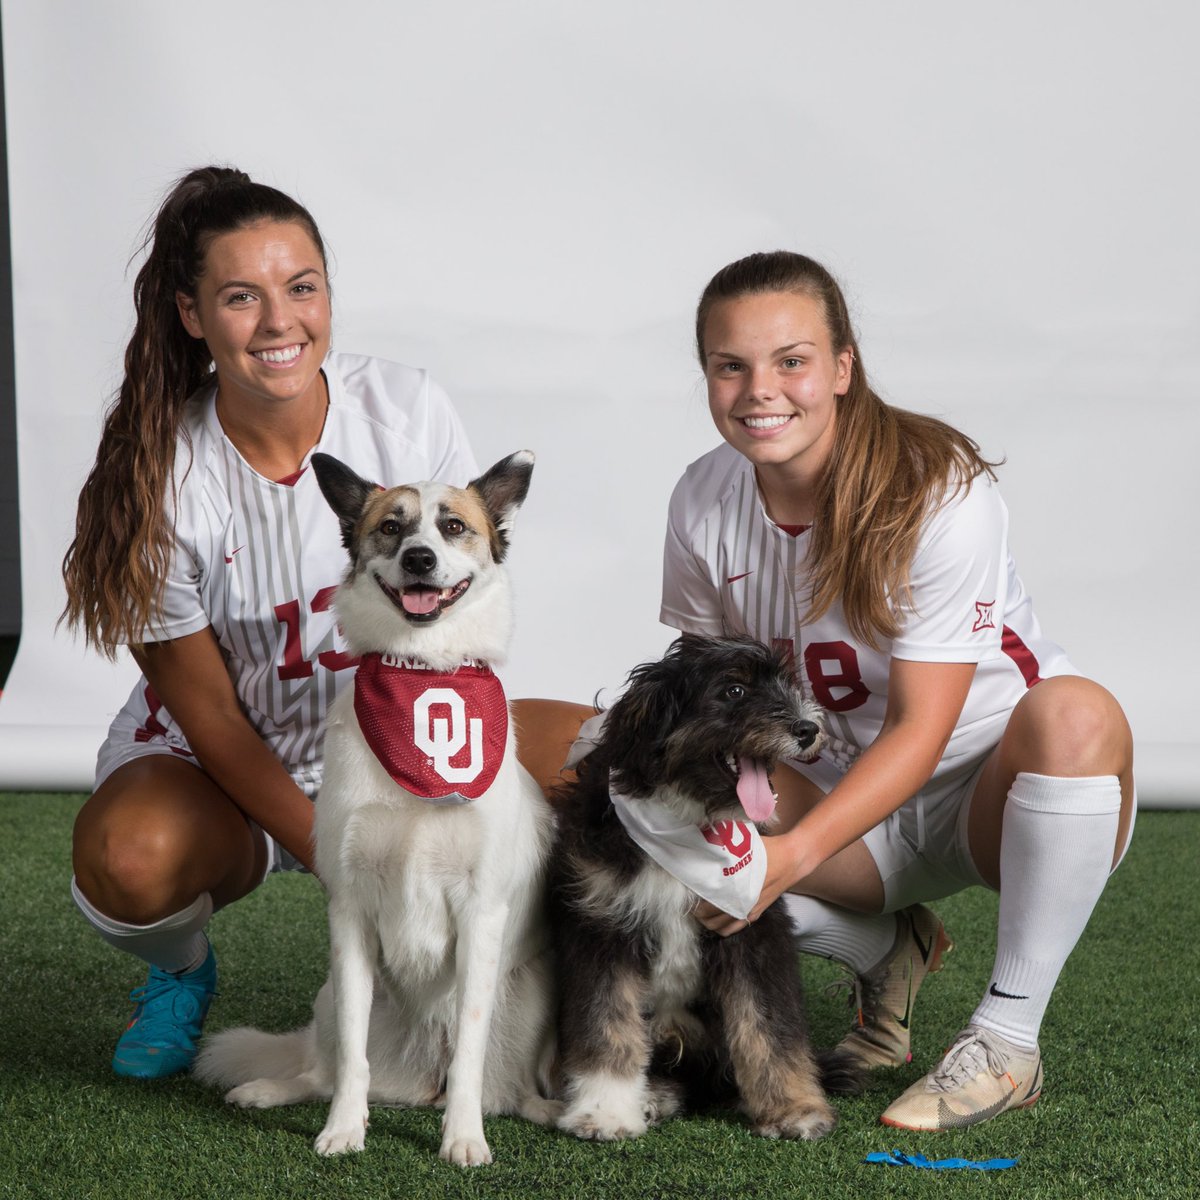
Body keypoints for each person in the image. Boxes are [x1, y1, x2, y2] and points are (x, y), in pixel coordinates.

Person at [62, 166, 588, 1080]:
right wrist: (348, 851)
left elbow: (459, 593)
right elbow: (216, 719)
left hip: (398, 729)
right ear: (193, 316)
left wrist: (439, 806)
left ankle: (570, 996)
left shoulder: (405, 405)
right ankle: (179, 972)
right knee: (128, 856)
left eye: (301, 288)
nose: (279, 322)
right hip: (226, 761)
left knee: (599, 757)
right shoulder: (161, 482)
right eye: (241, 297)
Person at [661, 250, 1134, 1130]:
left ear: (843, 368)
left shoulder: (935, 489)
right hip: (836, 790)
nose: (761, 389)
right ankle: (889, 947)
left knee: (1078, 713)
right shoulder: (703, 498)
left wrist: (788, 862)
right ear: (708, 376)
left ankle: (1008, 1039)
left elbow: (920, 732)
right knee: (647, 812)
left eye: (791, 360)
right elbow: (708, 700)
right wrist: (709, 840)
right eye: (732, 366)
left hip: (991, 787)